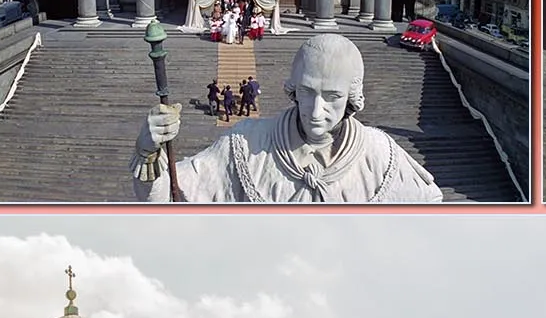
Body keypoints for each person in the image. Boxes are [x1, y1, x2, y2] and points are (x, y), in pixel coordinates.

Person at [132, 33, 442, 202]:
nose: (317, 111)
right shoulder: (245, 144)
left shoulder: (383, 156)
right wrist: (149, 151)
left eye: (332, 97)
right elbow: (166, 199)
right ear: (292, 88)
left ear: (352, 98)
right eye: (307, 92)